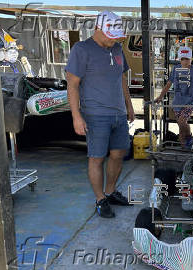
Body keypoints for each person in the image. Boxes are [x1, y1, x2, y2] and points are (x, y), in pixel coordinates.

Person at [66, 11, 134, 218]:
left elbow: (122, 78)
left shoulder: (117, 48)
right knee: (96, 158)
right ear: (97, 29)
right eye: (110, 36)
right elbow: (72, 84)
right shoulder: (82, 49)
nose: (113, 40)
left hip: (119, 114)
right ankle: (100, 199)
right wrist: (76, 116)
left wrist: (129, 105)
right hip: (95, 115)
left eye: (116, 36)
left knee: (118, 154)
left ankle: (111, 191)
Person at [155, 46, 193, 148]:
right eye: (182, 59)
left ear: (191, 59)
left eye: (187, 59)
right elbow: (168, 84)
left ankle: (188, 138)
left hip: (190, 102)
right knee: (181, 125)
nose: (185, 61)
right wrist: (160, 96)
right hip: (178, 102)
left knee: (182, 121)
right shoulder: (175, 69)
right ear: (179, 60)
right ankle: (185, 145)